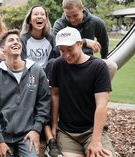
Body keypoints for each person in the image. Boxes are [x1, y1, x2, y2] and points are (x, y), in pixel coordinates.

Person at [0, 29, 51, 157]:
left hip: (27, 134)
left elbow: (44, 102)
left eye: (18, 40)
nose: (16, 42)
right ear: (3, 47)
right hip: (4, 136)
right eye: (11, 40)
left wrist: (36, 129)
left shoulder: (36, 70)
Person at [50, 26, 115, 157]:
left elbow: (102, 105)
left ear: (80, 44)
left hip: (92, 130)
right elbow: (55, 95)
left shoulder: (99, 67)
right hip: (67, 132)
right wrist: (53, 125)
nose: (66, 55)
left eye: (70, 49)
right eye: (62, 51)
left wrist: (96, 141)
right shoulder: (58, 65)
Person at [20, 5, 61, 157]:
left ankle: (51, 136)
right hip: (29, 79)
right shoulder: (23, 39)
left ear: (46, 19)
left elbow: (54, 63)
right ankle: (50, 139)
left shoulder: (51, 39)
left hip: (48, 78)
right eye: (35, 14)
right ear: (30, 19)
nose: (39, 17)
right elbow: (21, 64)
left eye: (42, 14)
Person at [51, 0, 117, 80]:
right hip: (66, 61)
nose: (72, 20)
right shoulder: (59, 24)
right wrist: (85, 42)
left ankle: (98, 89)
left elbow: (104, 41)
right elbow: (58, 46)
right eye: (68, 16)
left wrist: (104, 58)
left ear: (82, 9)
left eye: (75, 15)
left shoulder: (95, 22)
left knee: (111, 66)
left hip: (87, 61)